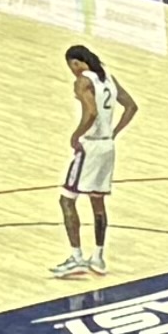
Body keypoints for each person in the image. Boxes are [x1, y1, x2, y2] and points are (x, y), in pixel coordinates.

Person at [55, 45, 138, 277]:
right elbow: (131, 106)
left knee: (67, 200)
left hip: (90, 146)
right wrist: (114, 132)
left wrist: (75, 135)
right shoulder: (108, 77)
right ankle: (98, 257)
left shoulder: (83, 80)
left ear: (76, 63)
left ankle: (77, 257)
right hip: (107, 147)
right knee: (97, 202)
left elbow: (91, 112)